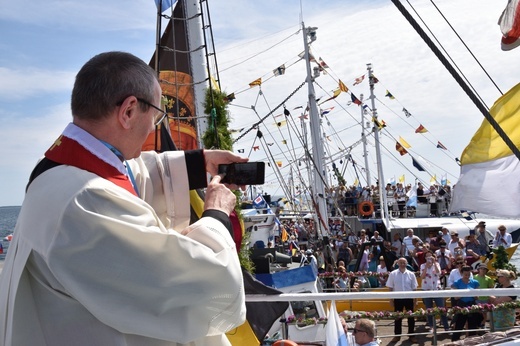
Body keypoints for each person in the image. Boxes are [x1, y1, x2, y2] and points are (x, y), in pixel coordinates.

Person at [0, 52, 247, 346]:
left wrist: (200, 162)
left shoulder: (61, 172)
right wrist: (216, 213)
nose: (153, 129)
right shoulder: (86, 199)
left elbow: (136, 172)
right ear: (129, 111)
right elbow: (200, 277)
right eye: (156, 116)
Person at [386, 257, 418, 343]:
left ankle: (411, 335)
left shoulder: (411, 274)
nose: (402, 264)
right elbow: (390, 287)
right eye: (401, 262)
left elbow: (414, 288)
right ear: (398, 263)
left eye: (404, 262)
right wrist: (391, 300)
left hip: (409, 298)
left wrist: (415, 300)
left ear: (406, 263)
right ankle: (397, 336)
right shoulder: (393, 274)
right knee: (397, 317)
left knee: (411, 317)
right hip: (398, 298)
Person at [451, 266, 482, 341]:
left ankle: (472, 341)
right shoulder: (457, 283)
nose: (467, 276)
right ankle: (454, 341)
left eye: (468, 274)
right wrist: (466, 292)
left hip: (472, 304)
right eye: (465, 274)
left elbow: (477, 297)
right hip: (462, 305)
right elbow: (455, 297)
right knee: (459, 324)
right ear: (462, 274)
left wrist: (472, 293)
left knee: (473, 325)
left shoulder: (475, 282)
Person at [420, 251, 449, 331]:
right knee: (429, 309)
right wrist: (426, 267)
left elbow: (439, 273)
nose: (429, 258)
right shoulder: (422, 265)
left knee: (441, 308)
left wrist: (435, 262)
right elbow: (422, 277)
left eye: (430, 257)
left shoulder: (437, 265)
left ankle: (446, 326)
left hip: (436, 288)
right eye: (427, 257)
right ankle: (431, 326)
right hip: (426, 289)